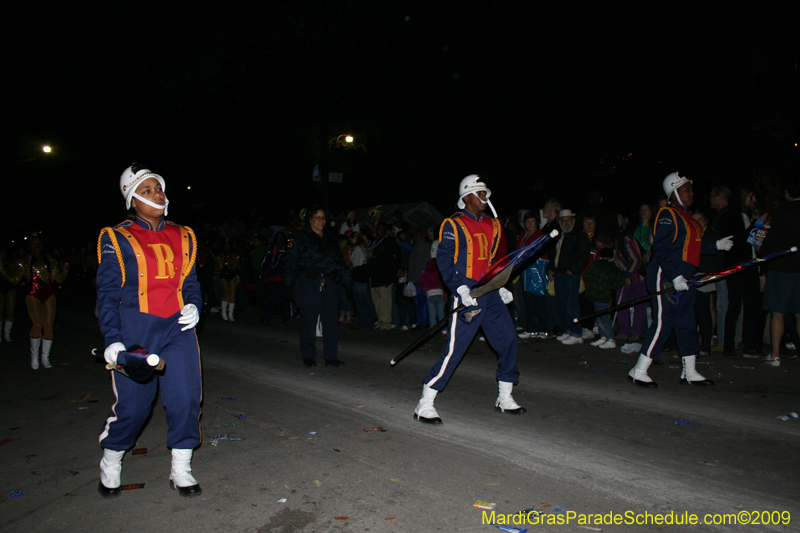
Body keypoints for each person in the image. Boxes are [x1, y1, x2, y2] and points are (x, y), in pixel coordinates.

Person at [96, 164, 202, 498]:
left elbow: (191, 282)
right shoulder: (116, 236)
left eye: (158, 187)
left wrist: (194, 305)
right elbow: (108, 293)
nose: (157, 193)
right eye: (147, 190)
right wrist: (112, 338)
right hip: (135, 333)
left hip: (176, 328)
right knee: (134, 409)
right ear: (131, 199)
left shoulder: (183, 234)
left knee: (185, 398)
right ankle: (111, 459)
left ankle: (181, 468)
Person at [414, 175, 523, 425]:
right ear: (466, 198)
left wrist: (501, 285)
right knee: (456, 349)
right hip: (468, 293)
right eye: (480, 193)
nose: (485, 197)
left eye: (486, 193)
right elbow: (444, 262)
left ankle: (505, 397)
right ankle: (425, 402)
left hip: (490, 292)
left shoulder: (493, 225)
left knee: (507, 340)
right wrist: (459, 289)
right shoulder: (452, 225)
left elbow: (494, 261)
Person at [628, 172, 733, 388]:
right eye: (686, 189)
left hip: (685, 276)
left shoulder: (689, 218)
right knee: (663, 321)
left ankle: (690, 370)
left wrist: (716, 246)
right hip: (665, 275)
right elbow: (662, 248)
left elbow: (691, 247)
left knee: (686, 321)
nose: (691, 193)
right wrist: (674, 275)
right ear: (674, 192)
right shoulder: (667, 214)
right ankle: (639, 369)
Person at [284, 206, 352, 367]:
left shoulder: (330, 238)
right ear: (310, 220)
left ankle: (331, 357)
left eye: (323, 218)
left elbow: (339, 262)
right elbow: (290, 262)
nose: (321, 221)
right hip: (308, 283)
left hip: (329, 284)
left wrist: (347, 282)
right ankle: (308, 355)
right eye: (317, 217)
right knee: (309, 321)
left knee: (330, 322)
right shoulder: (300, 237)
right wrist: (288, 284)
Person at [1, 235, 69, 368]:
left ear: (42, 246)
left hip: (49, 294)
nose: (36, 246)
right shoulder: (24, 261)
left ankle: (45, 358)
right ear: (29, 246)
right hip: (32, 294)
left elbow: (58, 280)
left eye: (39, 243)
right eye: (33, 244)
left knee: (49, 327)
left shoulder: (50, 260)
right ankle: (34, 358)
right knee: (37, 324)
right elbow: (14, 279)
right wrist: (1, 269)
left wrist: (65, 271)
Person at [759, 180, 800, 367]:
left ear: (787, 192)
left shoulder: (782, 211)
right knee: (799, 313)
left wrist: (762, 259)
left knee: (778, 313)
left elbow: (770, 241)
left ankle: (775, 354)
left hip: (781, 267)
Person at [547, 209, 591, 345]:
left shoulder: (579, 235)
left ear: (573, 221)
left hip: (570, 275)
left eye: (569, 220)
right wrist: (549, 269)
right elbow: (552, 255)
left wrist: (573, 270)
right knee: (561, 304)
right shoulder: (559, 236)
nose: (566, 223)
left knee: (571, 304)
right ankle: (569, 330)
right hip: (559, 274)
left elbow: (584, 256)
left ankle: (577, 333)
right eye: (563, 220)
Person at [582, 233, 625, 349]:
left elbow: (586, 276)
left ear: (600, 256)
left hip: (595, 295)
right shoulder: (614, 268)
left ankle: (610, 338)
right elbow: (620, 282)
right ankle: (604, 337)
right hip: (605, 295)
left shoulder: (596, 265)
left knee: (602, 318)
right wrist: (611, 286)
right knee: (602, 316)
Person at [369, 222, 400, 330]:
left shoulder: (390, 242)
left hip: (385, 277)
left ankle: (385, 323)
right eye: (378, 229)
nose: (379, 231)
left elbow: (395, 261)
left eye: (381, 229)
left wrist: (391, 277)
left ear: (386, 230)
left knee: (385, 302)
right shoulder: (375, 242)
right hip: (375, 277)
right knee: (376, 301)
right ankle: (380, 321)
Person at [260, 232, 291, 327]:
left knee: (284, 302)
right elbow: (264, 264)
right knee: (270, 301)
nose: (280, 240)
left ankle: (286, 320)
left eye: (282, 238)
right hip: (272, 281)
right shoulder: (270, 250)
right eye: (278, 238)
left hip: (282, 281)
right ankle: (265, 320)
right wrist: (264, 275)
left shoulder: (287, 251)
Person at [214, 240, 240, 321]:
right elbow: (217, 267)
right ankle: (224, 312)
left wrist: (234, 265)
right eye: (225, 246)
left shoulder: (234, 256)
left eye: (228, 245)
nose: (226, 247)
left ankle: (230, 314)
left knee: (233, 292)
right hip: (223, 274)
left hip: (232, 274)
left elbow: (238, 266)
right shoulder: (220, 256)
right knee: (227, 292)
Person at [0, 248, 20, 343]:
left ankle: (7, 334)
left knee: (10, 310)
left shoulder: (11, 262)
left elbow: (15, 275)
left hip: (10, 286)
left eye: (3, 251)